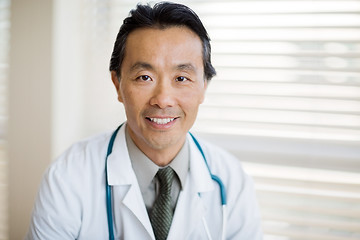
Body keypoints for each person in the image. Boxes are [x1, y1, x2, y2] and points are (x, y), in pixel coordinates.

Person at [26, 2, 263, 240]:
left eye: (181, 77)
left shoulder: (231, 180)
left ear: (204, 87)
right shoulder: (68, 177)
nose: (162, 100)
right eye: (144, 77)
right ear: (118, 84)